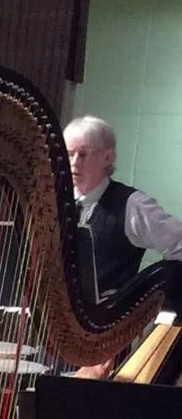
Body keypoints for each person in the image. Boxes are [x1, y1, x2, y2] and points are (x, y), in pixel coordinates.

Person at [64, 113, 182, 301]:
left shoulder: (132, 205)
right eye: (69, 154)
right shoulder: (56, 203)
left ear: (107, 158)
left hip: (112, 322)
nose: (74, 162)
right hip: (54, 318)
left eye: (83, 154)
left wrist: (140, 294)